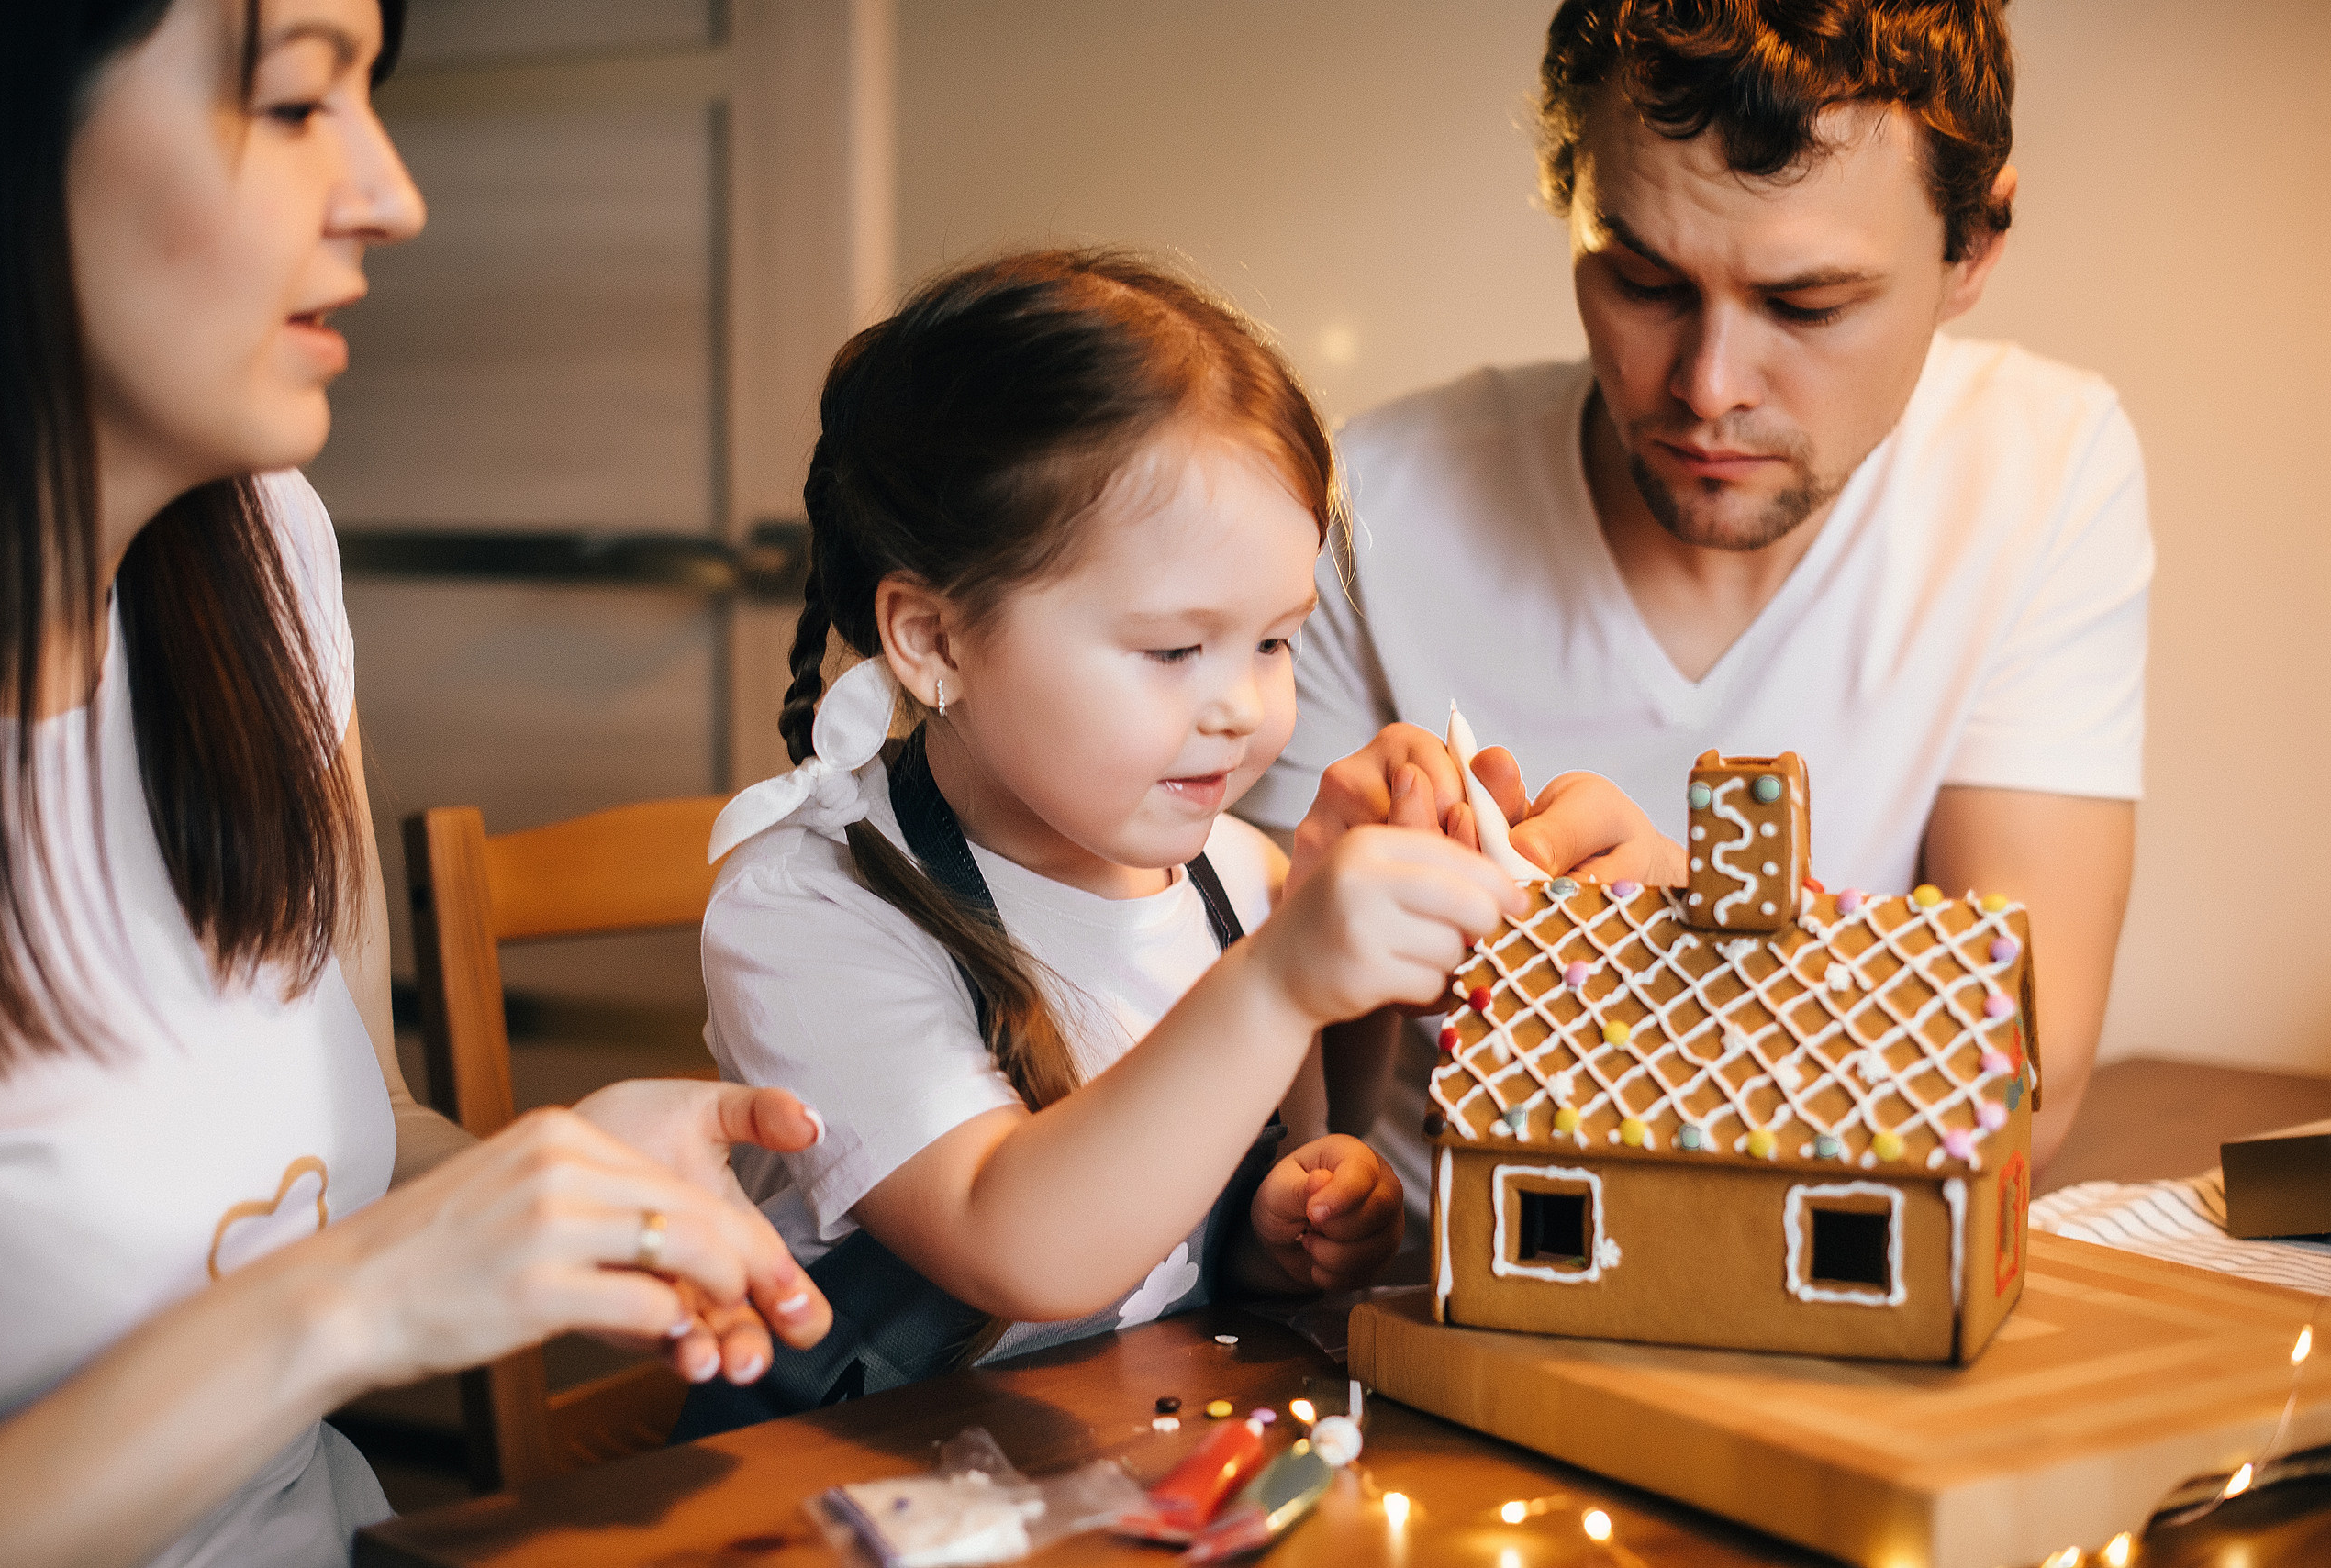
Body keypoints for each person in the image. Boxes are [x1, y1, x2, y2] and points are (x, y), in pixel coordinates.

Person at [0, 6, 834, 1565]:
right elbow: (336, 1285)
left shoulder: (260, 559)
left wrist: (552, 1191)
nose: (390, 191)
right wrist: (346, 1307)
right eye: (298, 100)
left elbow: (366, 1128)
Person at [688, 249, 1670, 1423]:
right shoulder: (808, 909)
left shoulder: (1232, 879)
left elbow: (1212, 1209)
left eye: (1273, 642)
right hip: (830, 1500)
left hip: (1114, 1465)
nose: (1244, 707)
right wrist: (1284, 973)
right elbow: (1019, 1245)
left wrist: (1291, 1215)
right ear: (934, 640)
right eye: (1172, 650)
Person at [1239, 0, 2147, 1186]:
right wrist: (1333, 931)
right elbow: (1270, 1129)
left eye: (1807, 305)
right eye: (1643, 280)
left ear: (1973, 249)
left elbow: (2025, 1081)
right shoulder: (1368, 506)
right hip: (1423, 1290)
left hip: (1816, 1272)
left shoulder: (2043, 468)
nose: (1710, 386)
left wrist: (1698, 934)